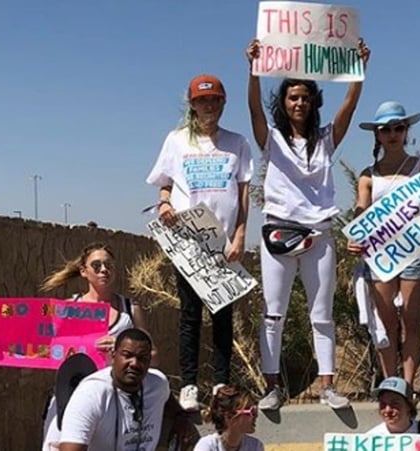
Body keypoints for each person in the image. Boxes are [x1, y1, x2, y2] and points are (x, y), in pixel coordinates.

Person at [246, 38, 370, 410]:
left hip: (319, 234)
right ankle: (271, 386)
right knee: (274, 311)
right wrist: (252, 70)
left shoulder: (325, 140)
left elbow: (349, 108)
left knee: (322, 313)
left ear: (313, 102)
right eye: (292, 97)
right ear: (283, 103)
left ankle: (327, 386)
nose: (298, 103)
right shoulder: (272, 140)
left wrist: (359, 73)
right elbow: (253, 109)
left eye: (304, 97)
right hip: (279, 233)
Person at [146, 74, 254, 411]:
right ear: (192, 104)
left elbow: (244, 192)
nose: (209, 106)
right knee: (189, 316)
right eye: (202, 100)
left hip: (221, 242)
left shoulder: (237, 143)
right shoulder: (177, 140)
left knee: (223, 313)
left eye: (214, 100)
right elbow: (164, 182)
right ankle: (190, 385)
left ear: (223, 104)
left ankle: (222, 381)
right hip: (188, 243)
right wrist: (164, 203)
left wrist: (239, 235)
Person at [347, 100, 420, 385]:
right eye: (386, 129)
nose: (392, 134)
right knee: (386, 322)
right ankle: (389, 383)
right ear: (378, 135)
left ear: (406, 131)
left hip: (414, 250)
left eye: (398, 128)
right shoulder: (368, 175)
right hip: (381, 254)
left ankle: (406, 384)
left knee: (410, 319)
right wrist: (355, 236)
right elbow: (361, 209)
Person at [41, 242, 155, 450]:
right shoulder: (69, 308)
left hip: (115, 398)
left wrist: (122, 348)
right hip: (70, 396)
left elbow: (152, 355)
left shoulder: (130, 308)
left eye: (108, 265)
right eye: (96, 265)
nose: (104, 270)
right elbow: (49, 348)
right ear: (84, 271)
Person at [58, 328, 196, 451]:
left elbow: (172, 406)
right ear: (113, 355)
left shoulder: (157, 384)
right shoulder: (91, 394)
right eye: (127, 355)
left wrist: (181, 420)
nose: (134, 363)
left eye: (142, 358)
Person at [366, 377, 420, 451]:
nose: (388, 410)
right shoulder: (370, 439)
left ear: (409, 405)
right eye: (383, 404)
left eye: (395, 403)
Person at [195, 385, 264, 451]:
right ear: (229, 416)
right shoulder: (207, 446)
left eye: (255, 409)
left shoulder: (255, 446)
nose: (256, 415)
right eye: (251, 411)